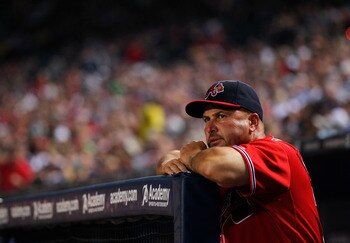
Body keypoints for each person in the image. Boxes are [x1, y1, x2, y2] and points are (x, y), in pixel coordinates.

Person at [156, 80, 324, 243]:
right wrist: (168, 161)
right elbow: (172, 157)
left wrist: (190, 157)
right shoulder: (218, 161)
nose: (209, 127)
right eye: (206, 119)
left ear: (252, 122)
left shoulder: (277, 151)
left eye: (220, 116)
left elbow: (212, 165)